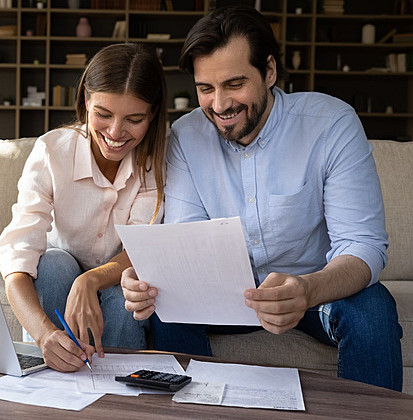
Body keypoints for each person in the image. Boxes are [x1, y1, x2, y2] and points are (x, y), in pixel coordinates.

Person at [121, 5, 403, 391]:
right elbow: (186, 238)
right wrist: (154, 279)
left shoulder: (331, 124)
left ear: (269, 71)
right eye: (206, 88)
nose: (220, 105)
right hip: (222, 298)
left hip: (313, 293)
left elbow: (363, 244)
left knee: (373, 310)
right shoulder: (186, 137)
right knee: (164, 309)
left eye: (235, 84)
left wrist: (308, 290)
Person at [0, 43, 167, 373]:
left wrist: (89, 281)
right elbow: (18, 256)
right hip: (59, 272)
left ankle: (119, 399)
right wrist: (44, 334)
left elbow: (140, 247)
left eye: (134, 119)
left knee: (123, 303)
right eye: (103, 114)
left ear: (153, 115)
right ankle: (50, 372)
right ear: (86, 99)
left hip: (121, 277)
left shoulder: (157, 161)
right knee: (53, 265)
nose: (115, 133)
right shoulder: (52, 150)